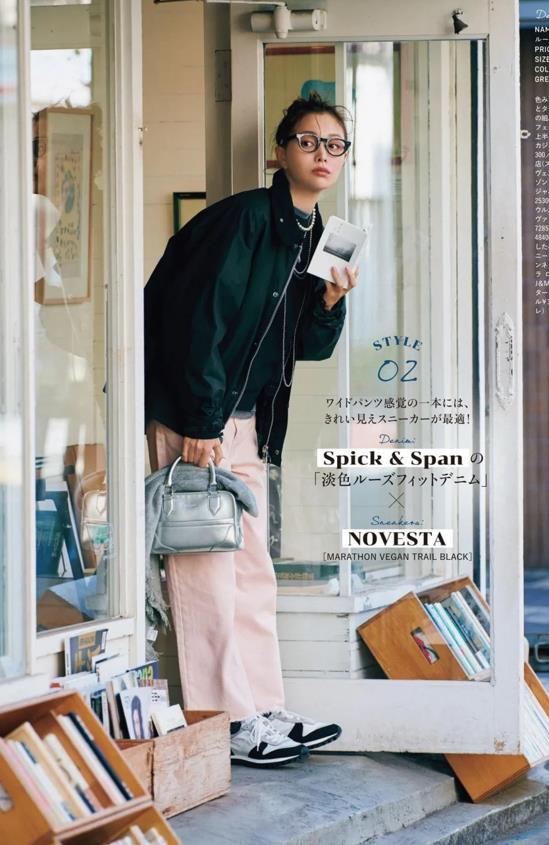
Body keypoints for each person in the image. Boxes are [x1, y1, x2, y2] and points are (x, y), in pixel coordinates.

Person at [144, 93, 357, 767]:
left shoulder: (316, 236)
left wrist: (329, 303)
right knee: (205, 577)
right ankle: (227, 719)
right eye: (308, 141)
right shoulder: (242, 221)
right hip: (199, 421)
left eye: (335, 145)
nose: (322, 154)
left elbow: (306, 348)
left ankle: (264, 705)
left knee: (252, 573)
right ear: (280, 151)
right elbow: (197, 322)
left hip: (245, 424)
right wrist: (200, 421)